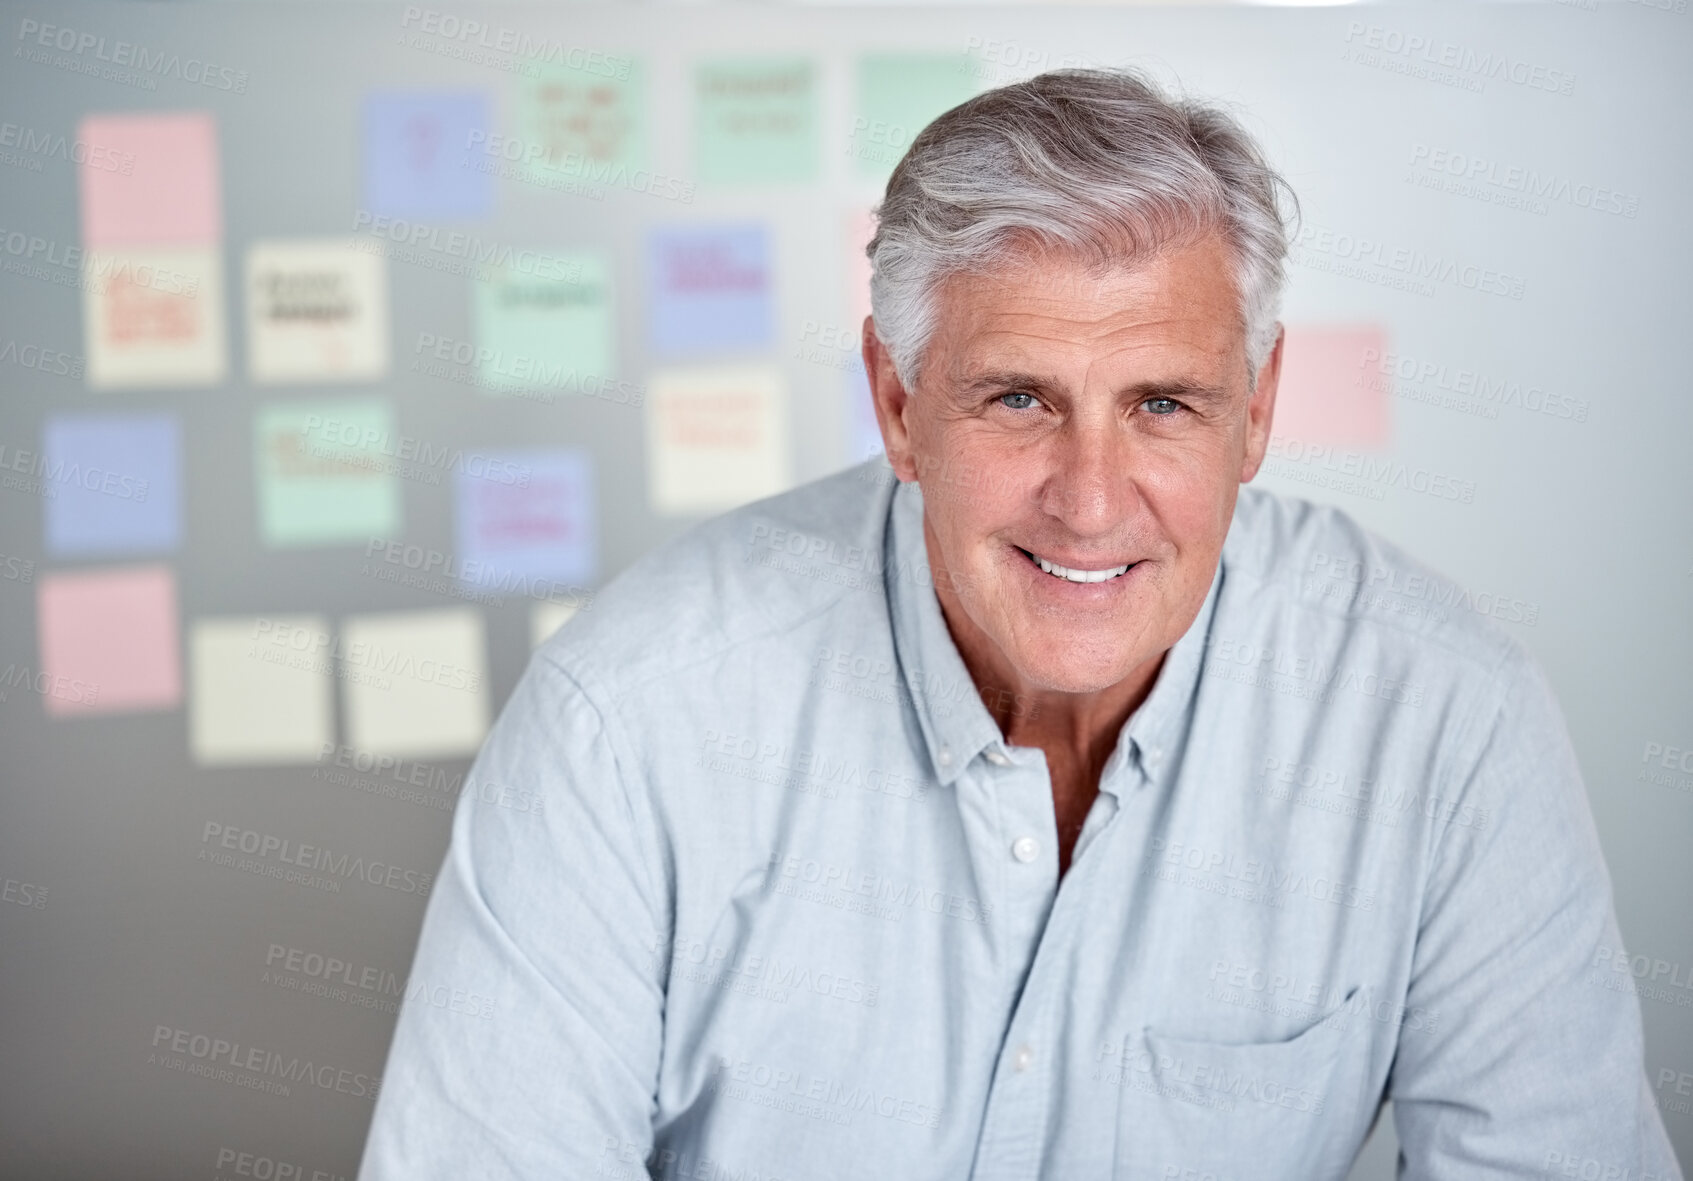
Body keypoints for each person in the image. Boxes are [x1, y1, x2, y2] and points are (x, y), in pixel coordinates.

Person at [359, 68, 1682, 1180]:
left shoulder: (1443, 722)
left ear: (1259, 408)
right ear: (894, 403)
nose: (1092, 499)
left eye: (1162, 403)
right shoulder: (630, 723)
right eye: (1017, 400)